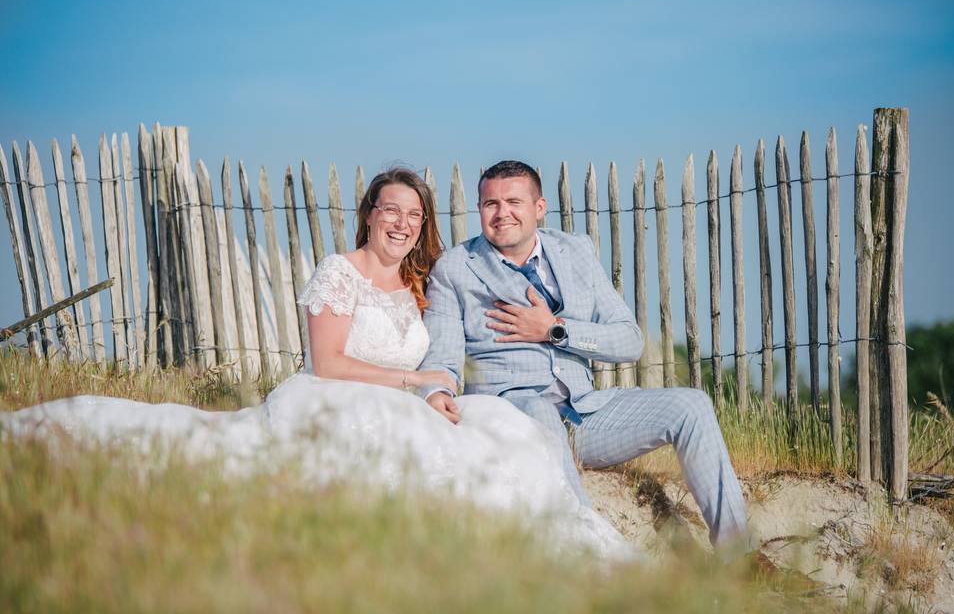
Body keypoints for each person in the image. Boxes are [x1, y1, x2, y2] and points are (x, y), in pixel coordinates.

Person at [1, 167, 631, 557]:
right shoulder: (339, 272)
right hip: (337, 399)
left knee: (494, 442)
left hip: (404, 408)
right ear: (369, 214)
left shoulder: (419, 286)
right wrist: (413, 379)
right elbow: (326, 363)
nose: (403, 224)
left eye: (414, 215)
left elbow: (441, 351)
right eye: (391, 210)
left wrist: (438, 385)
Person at [418, 160, 749, 552]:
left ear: (539, 208)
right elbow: (442, 354)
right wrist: (437, 391)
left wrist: (555, 330)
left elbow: (629, 340)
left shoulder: (575, 251)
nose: (502, 213)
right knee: (540, 412)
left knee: (691, 404)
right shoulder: (456, 267)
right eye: (491, 204)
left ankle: (739, 556)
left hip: (586, 413)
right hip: (514, 412)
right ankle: (592, 556)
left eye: (513, 202)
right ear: (480, 210)